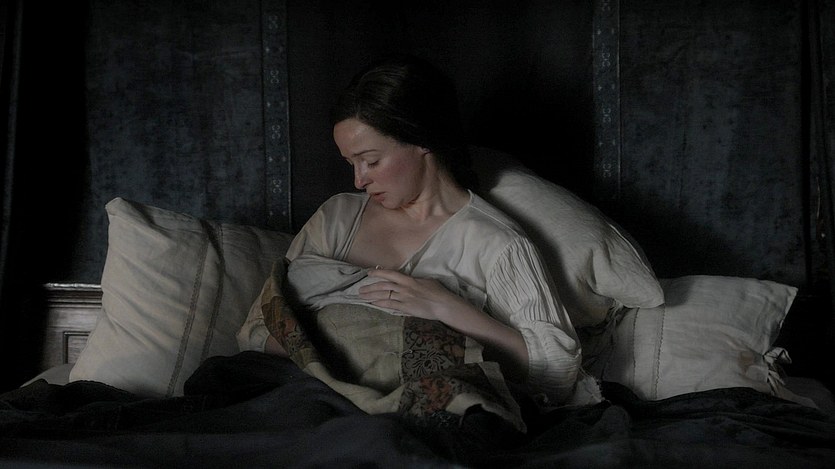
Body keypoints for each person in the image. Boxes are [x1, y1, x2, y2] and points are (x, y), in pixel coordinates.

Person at [238, 54, 598, 411]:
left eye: (371, 161)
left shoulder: (496, 243)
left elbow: (559, 370)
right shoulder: (337, 217)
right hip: (311, 401)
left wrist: (446, 307)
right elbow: (257, 328)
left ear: (423, 140)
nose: (359, 180)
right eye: (351, 163)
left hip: (419, 412)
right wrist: (339, 354)